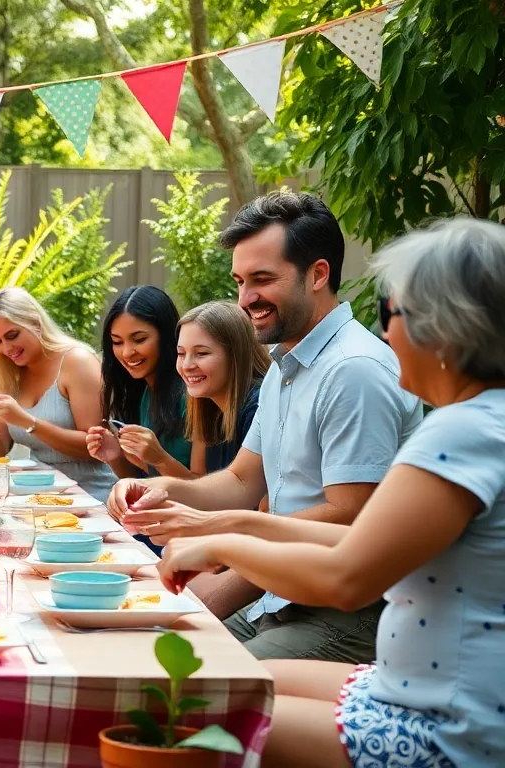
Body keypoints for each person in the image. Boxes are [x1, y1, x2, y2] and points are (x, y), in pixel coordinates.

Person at [156, 218, 505, 767]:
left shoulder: (457, 431)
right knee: (216, 674)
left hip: (447, 722)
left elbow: (346, 575)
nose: (387, 333)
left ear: (446, 327)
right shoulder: (480, 421)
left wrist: (222, 546)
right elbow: (351, 533)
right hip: (410, 687)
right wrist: (220, 527)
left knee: (194, 709)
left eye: (394, 314)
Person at [108, 193, 424, 662]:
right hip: (282, 599)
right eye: (239, 281)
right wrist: (161, 490)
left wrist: (218, 534)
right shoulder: (284, 365)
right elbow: (240, 480)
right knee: (145, 658)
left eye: (262, 280)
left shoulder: (352, 369)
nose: (245, 299)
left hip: (347, 610)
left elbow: (351, 515)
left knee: (191, 690)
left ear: (317, 274)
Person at [0, 287, 117, 501]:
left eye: (12, 335)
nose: (6, 348)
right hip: (42, 497)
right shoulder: (8, 374)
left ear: (35, 322)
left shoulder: (77, 362)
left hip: (92, 496)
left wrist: (28, 422)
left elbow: (96, 447)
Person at [86, 285, 196, 479]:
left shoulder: (191, 395)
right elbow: (143, 480)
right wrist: (115, 457)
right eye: (117, 342)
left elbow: (204, 492)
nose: (127, 352)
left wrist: (159, 459)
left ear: (166, 335)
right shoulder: (144, 392)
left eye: (139, 339)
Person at [177, 301, 269, 473]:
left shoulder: (259, 407)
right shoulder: (212, 407)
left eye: (202, 353)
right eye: (181, 354)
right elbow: (203, 487)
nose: (187, 365)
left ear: (235, 355)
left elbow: (257, 497)